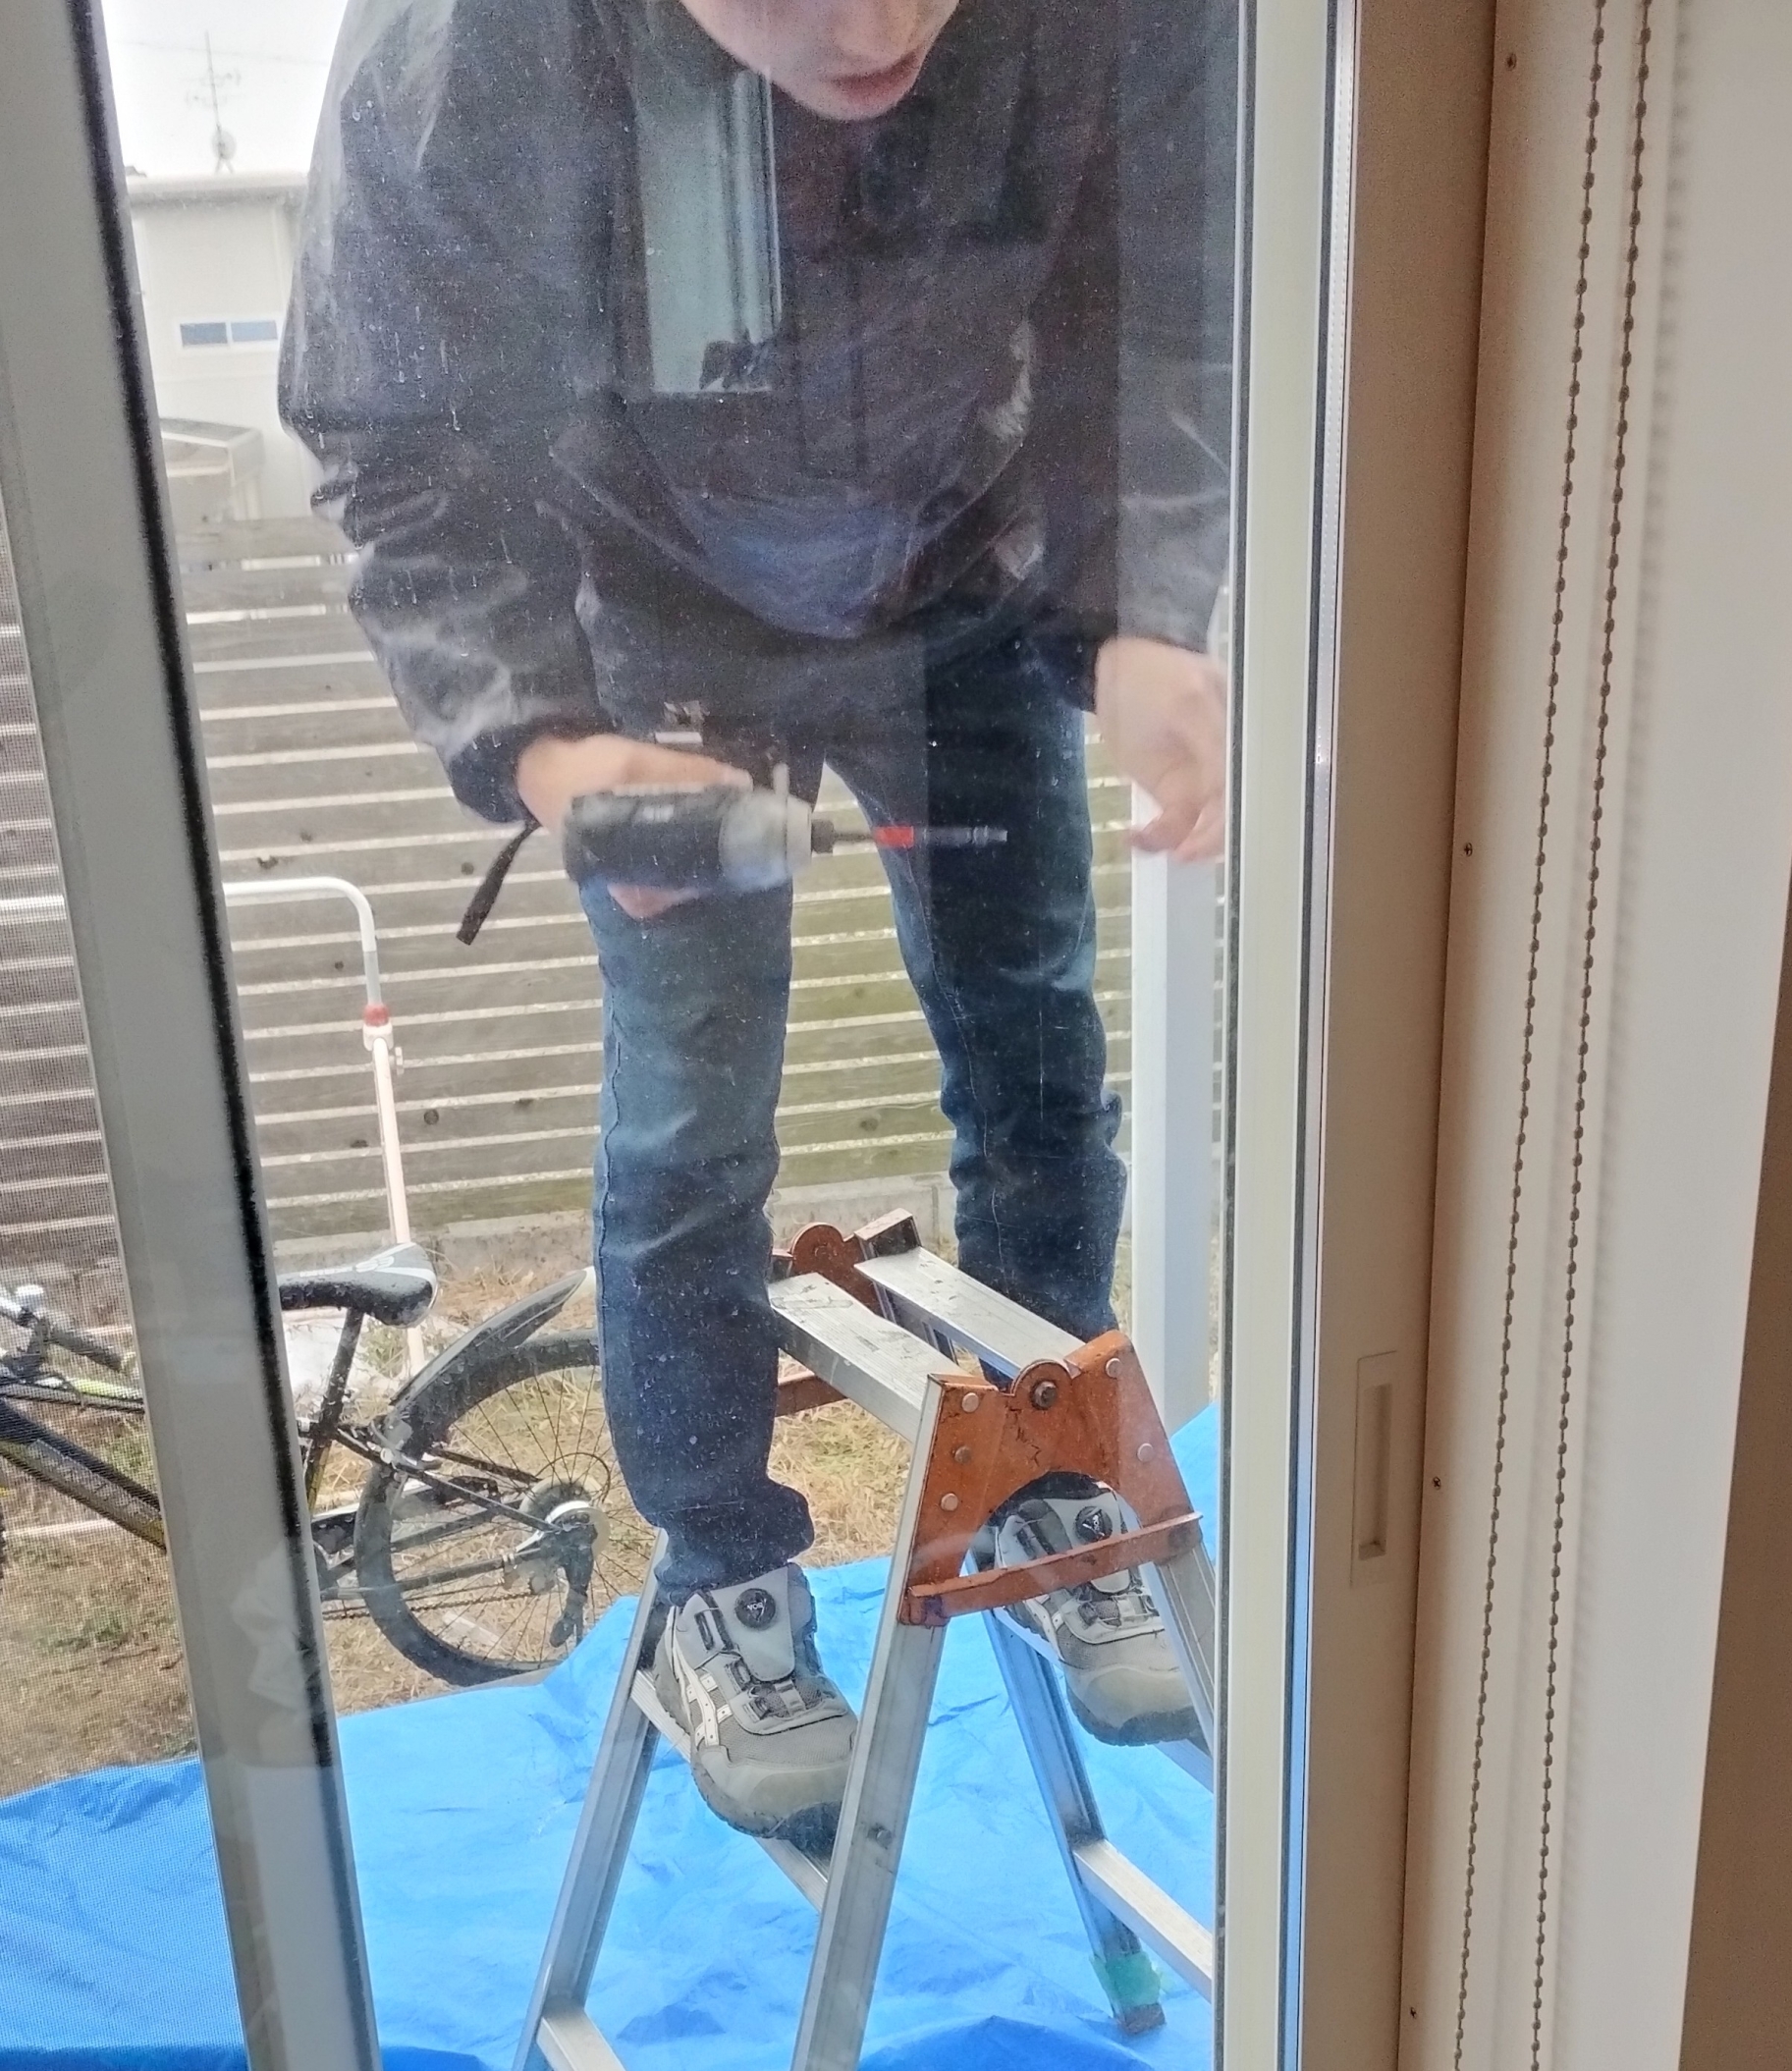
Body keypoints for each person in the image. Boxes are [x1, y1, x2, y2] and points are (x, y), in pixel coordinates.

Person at [283, 0, 1234, 1852]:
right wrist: (549, 742)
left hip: (968, 576)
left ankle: (1054, 1466)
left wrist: (1143, 603)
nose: (872, 28)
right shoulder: (462, 46)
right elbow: (397, 435)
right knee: (689, 1118)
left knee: (1040, 1047)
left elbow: (1177, 308)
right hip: (657, 607)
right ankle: (723, 1574)